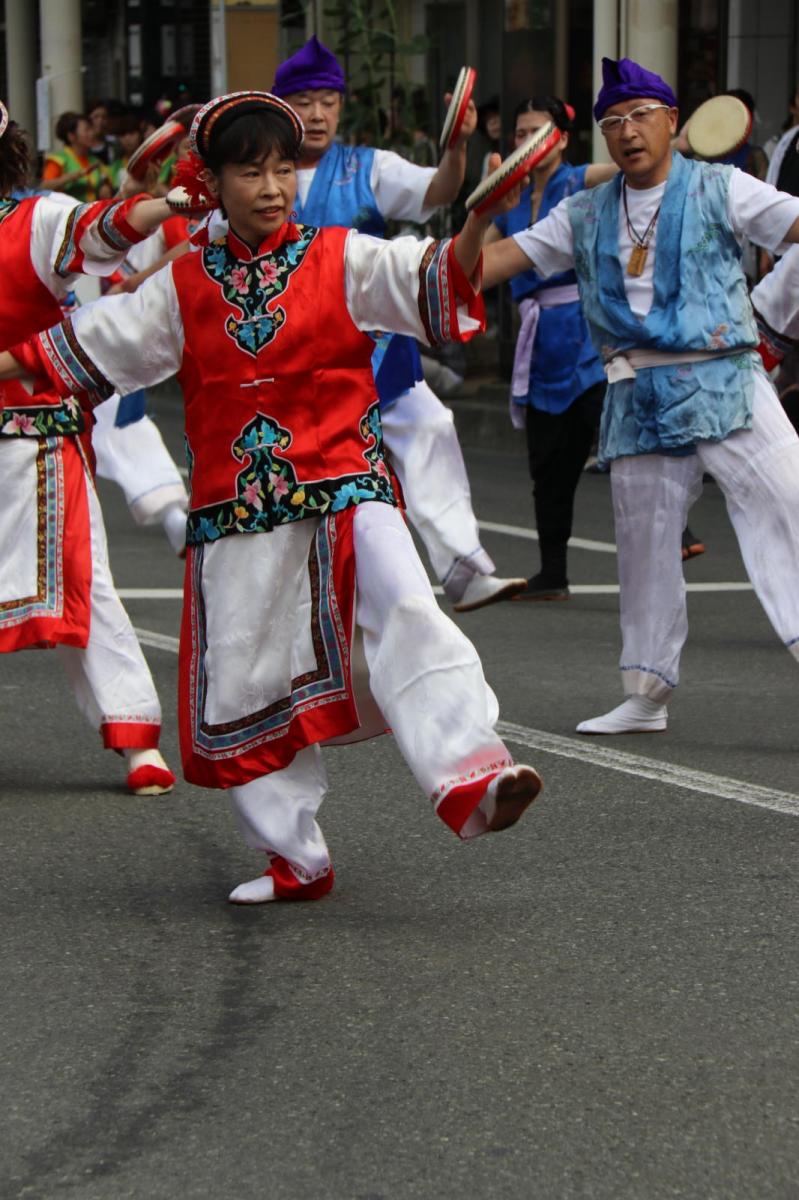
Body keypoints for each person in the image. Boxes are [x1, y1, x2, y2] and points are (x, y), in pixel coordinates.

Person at [4, 91, 544, 903]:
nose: (271, 187)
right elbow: (76, 347)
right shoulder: (181, 286)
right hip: (236, 509)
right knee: (247, 677)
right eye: (250, 172)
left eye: (283, 170)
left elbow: (435, 279)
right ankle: (293, 858)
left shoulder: (340, 256)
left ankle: (475, 772)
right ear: (214, 183)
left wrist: (477, 218)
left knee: (407, 606)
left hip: (346, 482)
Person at [482, 57, 799, 735]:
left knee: (792, 501)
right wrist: (470, 226)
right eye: (612, 121)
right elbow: (501, 261)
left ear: (670, 121)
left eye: (639, 116)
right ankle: (646, 695)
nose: (626, 131)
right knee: (644, 546)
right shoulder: (583, 211)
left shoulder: (721, 186)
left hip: (726, 378)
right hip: (635, 391)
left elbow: (793, 223)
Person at [269, 36, 526, 613]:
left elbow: (439, 190)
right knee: (294, 485)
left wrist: (456, 148)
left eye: (328, 102)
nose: (317, 114)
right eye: (304, 101)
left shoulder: (368, 167)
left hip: (371, 349)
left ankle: (463, 568)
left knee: (428, 424)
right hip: (285, 353)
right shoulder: (259, 174)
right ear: (280, 106)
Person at [0, 102, 177, 792]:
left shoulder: (37, 218)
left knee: (85, 581)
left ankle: (134, 735)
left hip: (36, 441)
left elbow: (100, 229)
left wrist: (164, 205)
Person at [486, 96, 615, 600]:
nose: (527, 142)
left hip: (586, 333)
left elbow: (624, 169)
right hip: (539, 342)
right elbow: (475, 253)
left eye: (538, 132)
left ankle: (678, 532)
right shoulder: (511, 199)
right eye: (520, 133)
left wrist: (676, 143)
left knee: (617, 433)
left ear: (559, 139)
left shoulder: (578, 179)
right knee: (547, 466)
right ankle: (553, 572)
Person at [42, 112, 112, 201]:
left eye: (91, 129)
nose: (92, 133)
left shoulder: (94, 161)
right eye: (87, 130)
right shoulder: (58, 160)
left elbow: (106, 179)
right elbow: (44, 186)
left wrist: (105, 186)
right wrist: (71, 177)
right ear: (71, 136)